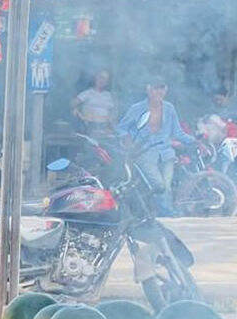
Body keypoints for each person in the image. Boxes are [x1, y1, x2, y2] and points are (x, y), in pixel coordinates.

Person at [116, 78, 198, 217]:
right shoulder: (137, 108)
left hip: (166, 152)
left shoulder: (169, 108)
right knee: (159, 185)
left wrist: (194, 141)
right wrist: (127, 138)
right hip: (145, 152)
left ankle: (165, 214)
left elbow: (177, 132)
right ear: (148, 89)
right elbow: (121, 128)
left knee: (166, 186)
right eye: (156, 88)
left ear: (166, 90)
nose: (159, 91)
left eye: (162, 88)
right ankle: (164, 214)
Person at [72, 69, 117, 135]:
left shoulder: (108, 95)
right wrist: (76, 111)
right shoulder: (88, 93)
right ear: (96, 78)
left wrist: (111, 124)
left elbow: (114, 111)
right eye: (101, 77)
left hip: (104, 127)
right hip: (88, 126)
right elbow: (73, 103)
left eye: (106, 79)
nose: (103, 80)